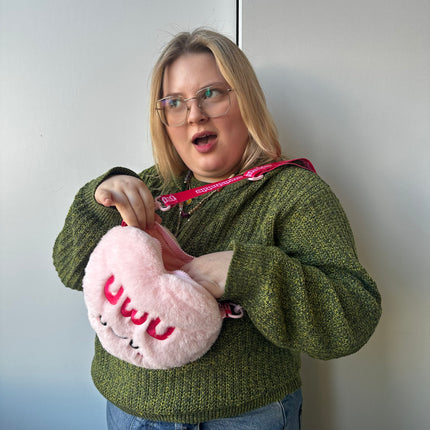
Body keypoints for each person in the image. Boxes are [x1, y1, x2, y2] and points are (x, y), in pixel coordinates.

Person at [53, 28, 381, 430]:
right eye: (175, 102)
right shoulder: (144, 189)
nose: (194, 114)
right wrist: (96, 201)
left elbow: (351, 320)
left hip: (245, 418)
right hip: (128, 414)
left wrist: (245, 273)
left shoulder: (295, 194)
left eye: (211, 93)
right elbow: (70, 270)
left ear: (246, 100)